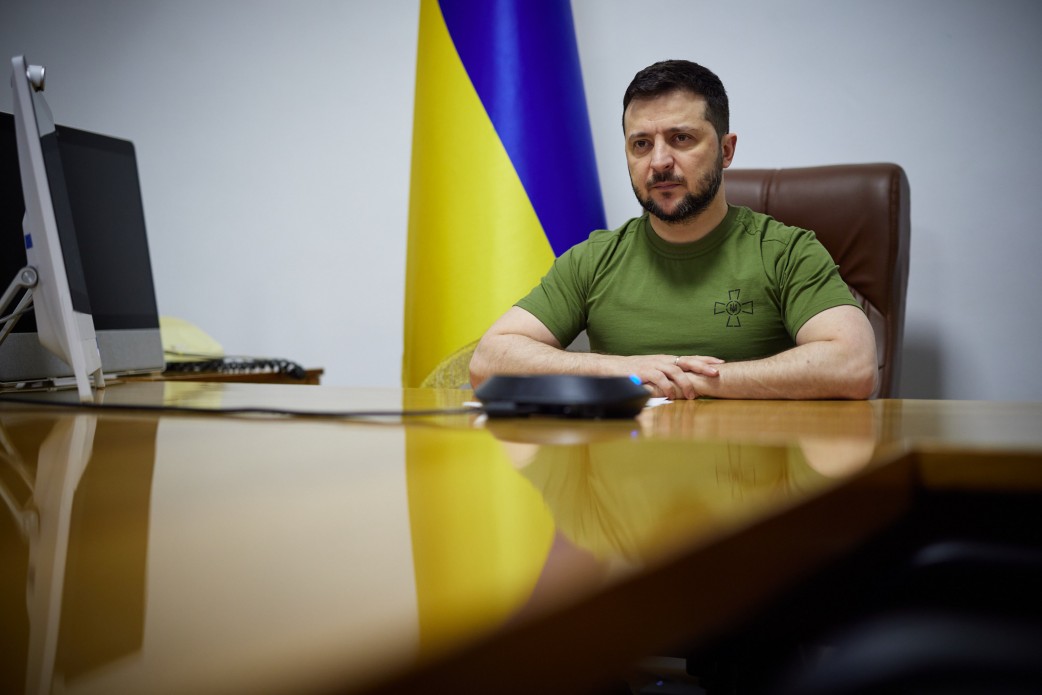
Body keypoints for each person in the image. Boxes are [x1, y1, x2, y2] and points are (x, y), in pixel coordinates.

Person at [469, 60, 877, 400]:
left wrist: (689, 380)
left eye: (681, 138)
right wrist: (623, 370)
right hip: (624, 484)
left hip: (749, 485)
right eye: (641, 144)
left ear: (726, 150)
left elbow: (853, 364)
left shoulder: (786, 251)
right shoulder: (594, 259)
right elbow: (489, 362)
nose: (659, 161)